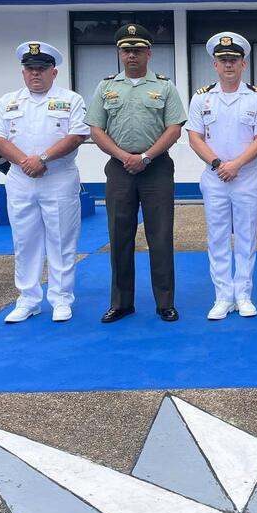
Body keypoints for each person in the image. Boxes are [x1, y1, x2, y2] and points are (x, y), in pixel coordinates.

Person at [85, 24, 186, 323]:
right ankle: (121, 302)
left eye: (138, 50)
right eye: (126, 50)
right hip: (119, 170)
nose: (132, 55)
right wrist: (125, 157)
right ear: (119, 53)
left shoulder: (165, 86)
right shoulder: (105, 87)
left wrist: (145, 156)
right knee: (119, 236)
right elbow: (95, 129)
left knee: (160, 236)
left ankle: (165, 302)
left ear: (149, 53)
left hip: (156, 168)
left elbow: (174, 128)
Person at [0, 42, 89, 323]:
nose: (35, 74)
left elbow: (76, 135)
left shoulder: (71, 99)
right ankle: (28, 299)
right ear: (23, 72)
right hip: (20, 179)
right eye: (30, 69)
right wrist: (25, 162)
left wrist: (42, 158)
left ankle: (61, 298)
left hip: (58, 178)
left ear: (53, 72)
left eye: (41, 69)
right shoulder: (8, 101)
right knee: (24, 240)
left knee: (62, 239)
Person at [186, 32, 257, 320]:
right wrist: (217, 163)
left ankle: (244, 295)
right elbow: (195, 137)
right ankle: (222, 297)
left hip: (246, 177)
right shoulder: (201, 98)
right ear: (214, 65)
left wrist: (235, 165)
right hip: (214, 178)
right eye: (223, 60)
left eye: (233, 60)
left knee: (247, 238)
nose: (228, 65)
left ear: (243, 64)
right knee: (218, 238)